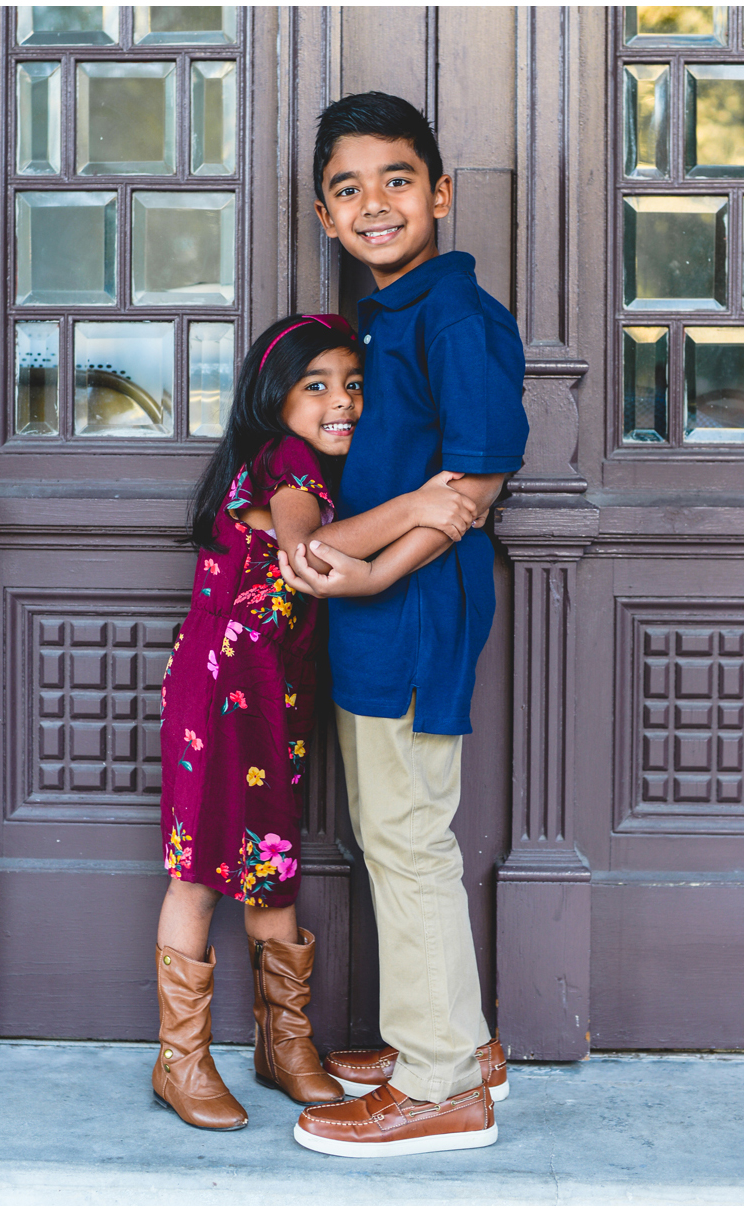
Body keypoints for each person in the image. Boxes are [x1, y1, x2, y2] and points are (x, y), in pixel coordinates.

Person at [276, 91, 529, 1157]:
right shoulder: (388, 317)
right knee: (389, 830)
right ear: (325, 218)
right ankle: (459, 1046)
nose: (373, 203)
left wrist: (374, 573)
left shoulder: (457, 315)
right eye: (348, 188)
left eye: (395, 180)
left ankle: (439, 1089)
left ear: (441, 193)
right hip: (378, 604)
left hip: (415, 608)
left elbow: (474, 484)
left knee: (409, 839)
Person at [154, 312, 481, 1131]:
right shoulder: (285, 459)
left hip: (269, 691)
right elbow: (312, 556)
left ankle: (284, 1045)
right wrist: (419, 506)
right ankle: (180, 1059)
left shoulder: (300, 460)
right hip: (225, 687)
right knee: (198, 871)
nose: (344, 402)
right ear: (275, 397)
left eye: (354, 384)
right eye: (318, 386)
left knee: (271, 859)